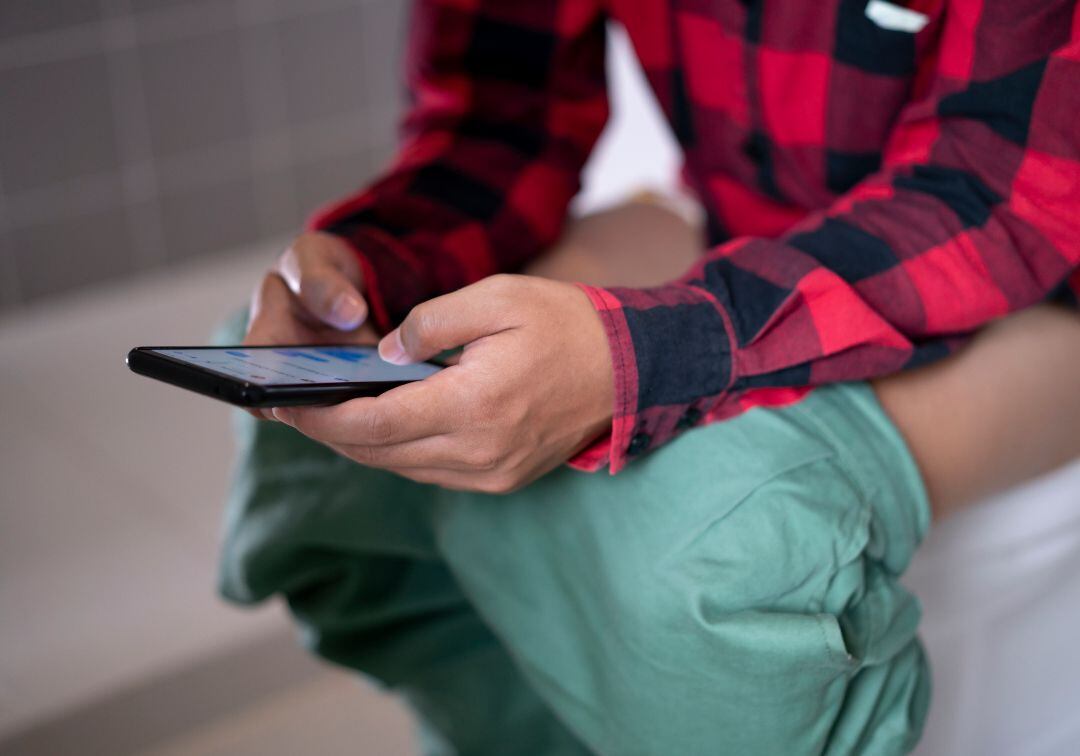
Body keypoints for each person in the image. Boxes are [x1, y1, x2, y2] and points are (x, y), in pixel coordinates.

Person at [219, 1, 1080, 753]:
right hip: (751, 221)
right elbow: (501, 115)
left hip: (1039, 275)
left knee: (715, 549)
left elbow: (993, 191)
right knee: (325, 447)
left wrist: (651, 358)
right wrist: (377, 262)